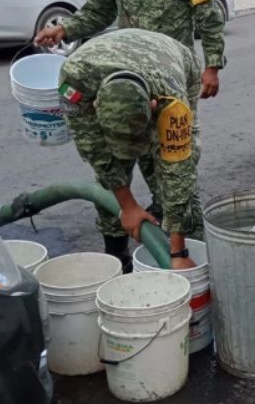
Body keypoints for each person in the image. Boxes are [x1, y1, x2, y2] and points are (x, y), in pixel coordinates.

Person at [34, 0, 225, 224]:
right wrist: (65, 28)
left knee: (172, 156)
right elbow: (98, 12)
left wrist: (211, 67)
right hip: (125, 81)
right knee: (115, 153)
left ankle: (176, 225)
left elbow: (209, 19)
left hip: (171, 79)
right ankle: (118, 240)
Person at [59, 28, 204, 271]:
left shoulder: (171, 100)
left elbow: (178, 169)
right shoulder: (74, 82)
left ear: (153, 106)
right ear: (95, 107)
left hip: (172, 60)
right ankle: (117, 256)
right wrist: (127, 207)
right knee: (109, 179)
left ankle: (173, 230)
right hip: (98, 62)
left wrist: (179, 251)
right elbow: (96, 151)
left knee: (170, 173)